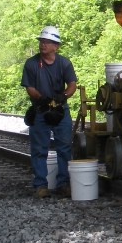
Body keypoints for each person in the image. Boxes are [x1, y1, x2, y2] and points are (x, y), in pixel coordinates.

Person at [21, 26, 77, 197]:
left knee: (65, 147)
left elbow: (72, 85)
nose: (42, 44)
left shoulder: (64, 63)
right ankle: (40, 185)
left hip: (60, 111)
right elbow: (29, 87)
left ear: (55, 46)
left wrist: (63, 96)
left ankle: (63, 183)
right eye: (41, 41)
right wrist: (42, 99)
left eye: (46, 42)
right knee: (39, 149)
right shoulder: (31, 64)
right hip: (40, 111)